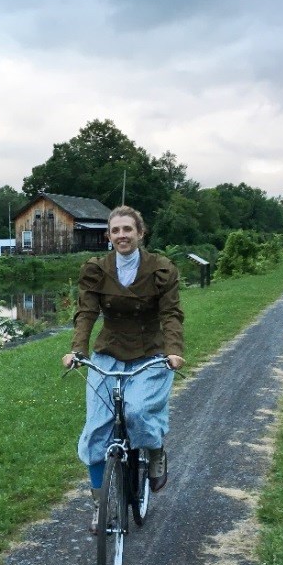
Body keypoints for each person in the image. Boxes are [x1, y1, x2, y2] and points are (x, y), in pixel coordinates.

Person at [62, 205, 185, 531]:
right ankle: (102, 507)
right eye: (115, 231)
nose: (121, 236)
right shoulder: (96, 270)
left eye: (127, 229)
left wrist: (173, 351)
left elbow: (171, 314)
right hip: (109, 352)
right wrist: (77, 350)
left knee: (137, 411)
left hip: (150, 352)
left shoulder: (161, 269)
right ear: (109, 236)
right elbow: (86, 313)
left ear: (140, 233)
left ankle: (156, 450)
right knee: (97, 428)